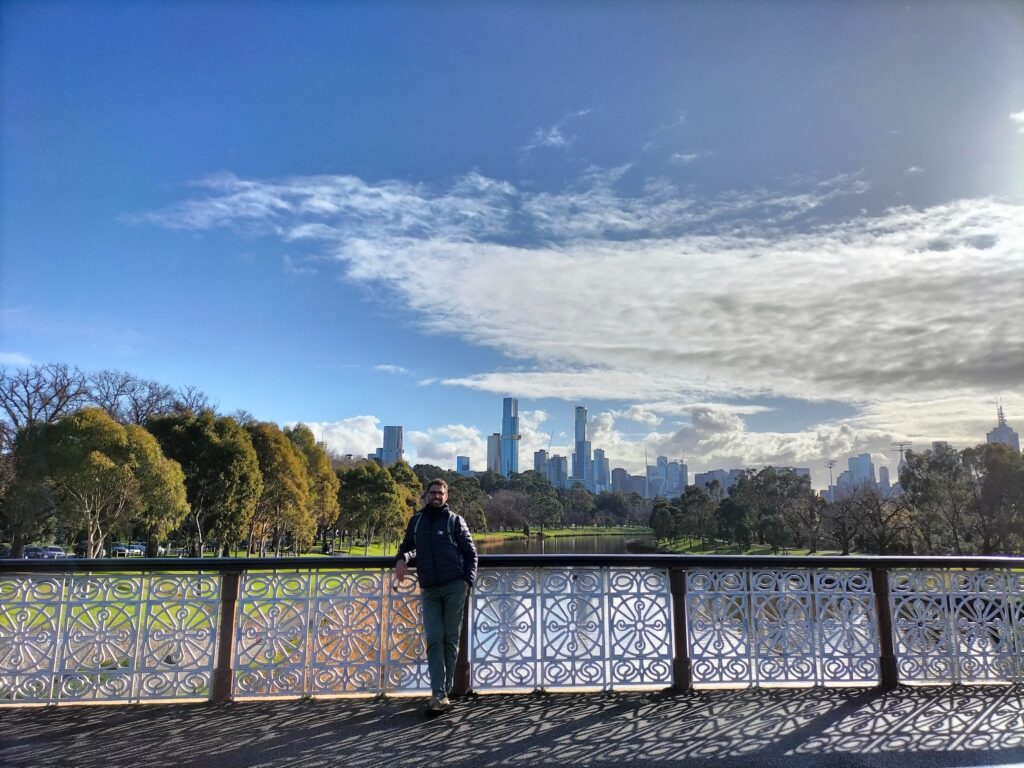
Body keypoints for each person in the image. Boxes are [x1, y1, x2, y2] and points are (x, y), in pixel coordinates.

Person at [394, 478, 478, 715]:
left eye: (440, 493)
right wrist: (402, 559)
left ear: (446, 496)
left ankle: (443, 691)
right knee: (433, 637)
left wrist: (466, 582)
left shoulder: (455, 521)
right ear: (426, 495)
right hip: (429, 588)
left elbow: (471, 554)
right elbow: (409, 546)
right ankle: (438, 693)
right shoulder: (417, 521)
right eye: (433, 492)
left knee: (450, 639)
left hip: (454, 587)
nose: (436, 496)